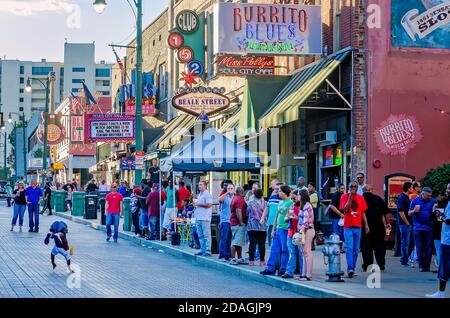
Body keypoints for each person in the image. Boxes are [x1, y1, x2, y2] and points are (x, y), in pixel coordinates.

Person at [261, 185, 293, 276]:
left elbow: (290, 216)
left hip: (285, 229)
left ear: (284, 192)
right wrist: (273, 229)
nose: (278, 192)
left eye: (279, 191)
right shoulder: (280, 202)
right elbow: (277, 216)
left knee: (284, 250)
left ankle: (283, 269)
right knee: (274, 249)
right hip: (278, 229)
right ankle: (270, 268)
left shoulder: (290, 203)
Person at [339, 181, 369, 278]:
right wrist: (350, 197)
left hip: (358, 227)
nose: (353, 188)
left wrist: (366, 224)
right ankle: (350, 268)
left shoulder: (361, 198)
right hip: (348, 226)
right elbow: (345, 209)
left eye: (355, 186)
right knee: (349, 248)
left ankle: (353, 268)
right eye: (351, 186)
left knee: (356, 249)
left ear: (357, 188)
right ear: (349, 187)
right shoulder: (344, 197)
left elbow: (363, 212)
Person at [426, 183, 450, 298]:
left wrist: (441, 215)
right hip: (446, 238)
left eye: (448, 189)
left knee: (444, 266)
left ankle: (440, 293)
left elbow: (448, 220)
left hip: (448, 240)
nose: (447, 191)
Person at [361, 185, 391, 271]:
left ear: (363, 191)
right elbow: (385, 212)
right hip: (379, 226)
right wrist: (387, 223)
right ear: (371, 190)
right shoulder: (378, 198)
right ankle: (381, 265)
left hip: (365, 226)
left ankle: (367, 265)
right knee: (380, 247)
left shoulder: (361, 199)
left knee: (366, 247)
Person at [408, 187, 436, 272]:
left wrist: (436, 210)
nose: (429, 197)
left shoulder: (433, 201)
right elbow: (409, 213)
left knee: (428, 248)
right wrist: (414, 211)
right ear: (422, 194)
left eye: (430, 195)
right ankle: (421, 266)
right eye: (427, 195)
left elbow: (437, 212)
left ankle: (427, 267)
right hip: (418, 228)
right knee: (419, 247)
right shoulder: (415, 201)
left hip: (429, 228)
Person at [283, 190, 303, 279]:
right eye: (292, 198)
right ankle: (289, 272)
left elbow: (307, 220)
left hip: (300, 233)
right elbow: (286, 218)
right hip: (291, 232)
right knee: (292, 253)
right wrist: (287, 218)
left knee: (301, 254)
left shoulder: (304, 207)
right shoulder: (291, 206)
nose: (294, 199)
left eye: (295, 197)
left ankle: (303, 272)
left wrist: (296, 217)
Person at [297, 189, 315, 281]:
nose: (297, 196)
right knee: (304, 253)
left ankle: (308, 275)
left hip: (307, 230)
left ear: (302, 196)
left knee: (307, 252)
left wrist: (301, 231)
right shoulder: (303, 206)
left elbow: (306, 220)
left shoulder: (307, 206)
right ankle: (303, 274)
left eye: (298, 195)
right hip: (304, 230)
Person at [247, 189, 268, 266]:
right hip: (262, 226)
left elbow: (247, 212)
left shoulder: (250, 203)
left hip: (252, 226)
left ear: (254, 195)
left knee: (252, 244)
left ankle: (251, 260)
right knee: (261, 244)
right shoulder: (266, 203)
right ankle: (262, 261)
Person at [192, 181, 213, 257]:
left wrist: (198, 204)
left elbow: (209, 205)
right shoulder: (200, 195)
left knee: (206, 235)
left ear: (205, 186)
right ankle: (203, 249)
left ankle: (208, 250)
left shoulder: (207, 195)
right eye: (199, 185)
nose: (199, 186)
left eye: (201, 185)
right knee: (200, 235)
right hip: (199, 217)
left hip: (205, 217)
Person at [397, 181, 414, 266]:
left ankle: (405, 258)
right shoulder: (402, 197)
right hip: (405, 224)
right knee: (405, 242)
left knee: (410, 242)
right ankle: (404, 260)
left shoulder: (407, 197)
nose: (413, 189)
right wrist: (407, 223)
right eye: (411, 187)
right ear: (408, 188)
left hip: (408, 223)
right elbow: (401, 211)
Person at [229, 186, 248, 265]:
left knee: (238, 241)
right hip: (237, 223)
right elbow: (238, 211)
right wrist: (241, 222)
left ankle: (240, 258)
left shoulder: (234, 198)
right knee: (235, 241)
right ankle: (233, 258)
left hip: (233, 222)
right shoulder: (239, 199)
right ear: (242, 192)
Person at [218, 183, 234, 261]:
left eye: (231, 188)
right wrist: (227, 193)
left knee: (229, 239)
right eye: (229, 188)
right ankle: (222, 255)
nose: (230, 190)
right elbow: (219, 199)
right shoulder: (225, 197)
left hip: (232, 221)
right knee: (224, 238)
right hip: (225, 220)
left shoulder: (235, 197)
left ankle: (228, 255)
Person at [433, 195, 448, 272]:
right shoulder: (447, 210)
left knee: (439, 251)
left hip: (437, 234)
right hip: (444, 234)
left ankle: (440, 268)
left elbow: (436, 221)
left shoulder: (438, 211)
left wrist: (434, 211)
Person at [267, 182, 282, 246]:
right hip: (271, 221)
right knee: (270, 236)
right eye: (276, 189)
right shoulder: (272, 197)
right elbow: (267, 207)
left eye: (279, 189)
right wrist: (263, 217)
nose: (276, 190)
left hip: (279, 222)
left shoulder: (284, 199)